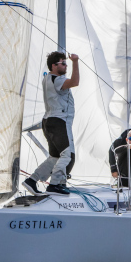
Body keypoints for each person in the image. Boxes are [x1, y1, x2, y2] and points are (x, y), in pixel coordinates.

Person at [22, 51, 79, 196]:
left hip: (48, 121)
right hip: (59, 121)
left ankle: (32, 180)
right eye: (63, 63)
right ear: (54, 66)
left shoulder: (47, 78)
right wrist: (75, 62)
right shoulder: (57, 79)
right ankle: (55, 185)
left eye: (66, 63)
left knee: (55, 157)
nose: (66, 66)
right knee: (67, 156)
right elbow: (75, 82)